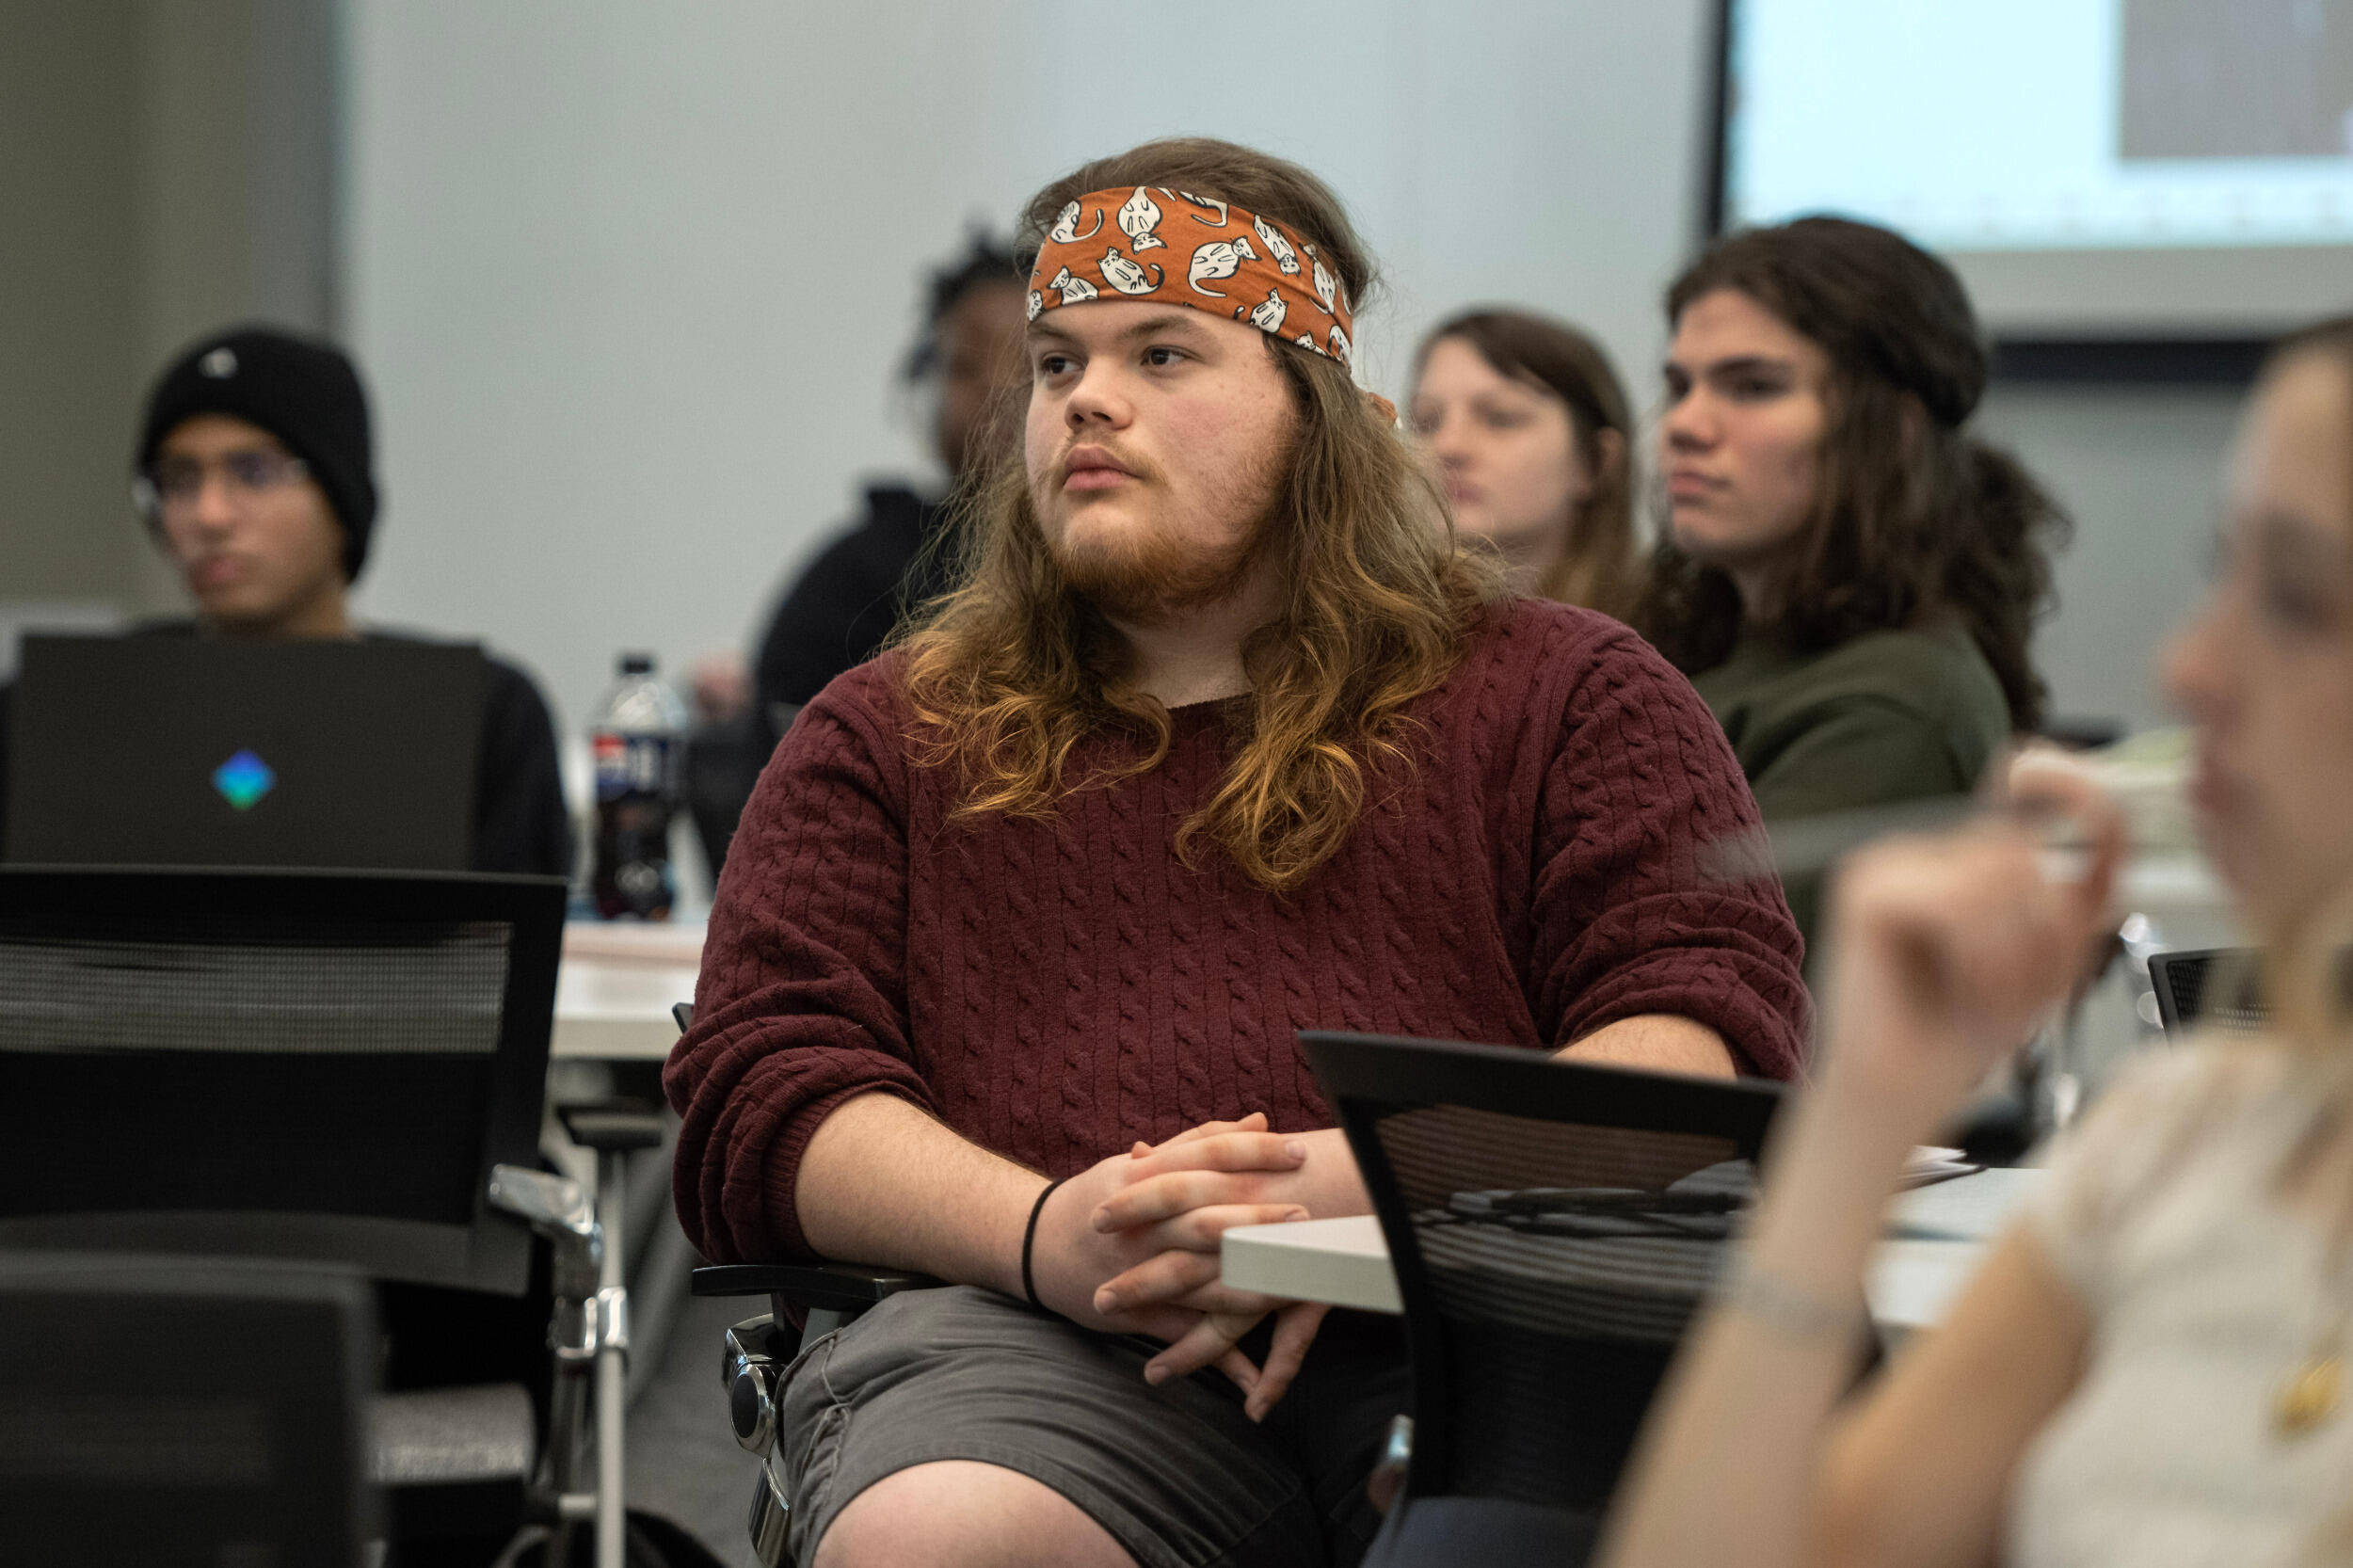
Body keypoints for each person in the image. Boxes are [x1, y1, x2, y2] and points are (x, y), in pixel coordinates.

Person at [665, 137, 1809, 1568]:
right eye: (1057, 359)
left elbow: (1707, 1036)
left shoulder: (1569, 692)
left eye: (1163, 353)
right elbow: (766, 1081)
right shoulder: (889, 732)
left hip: (1487, 1316)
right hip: (1045, 1341)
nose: (1088, 396)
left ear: (1315, 412)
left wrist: (1344, 1198)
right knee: (937, 1537)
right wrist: (1050, 1234)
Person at [1597, 316, 2353, 1568]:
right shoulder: (2189, 1138)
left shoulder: (1888, 687)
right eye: (2226, 575)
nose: (2191, 666)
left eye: (2302, 601)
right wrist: (1859, 1115)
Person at [1631, 216, 2071, 952]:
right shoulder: (1709, 643)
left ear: (1892, 427)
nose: (1685, 424)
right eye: (1680, 386)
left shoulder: (1899, 700)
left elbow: (1680, 956)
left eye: (1752, 386)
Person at [0, 325, 571, 878]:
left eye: (255, 472)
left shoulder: (482, 717)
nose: (209, 515)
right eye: (179, 478)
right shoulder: (66, 711)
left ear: (341, 501)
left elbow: (510, 957)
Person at [750, 232, 1031, 722]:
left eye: (1035, 367)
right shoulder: (858, 577)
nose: (998, 392)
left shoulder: (1108, 563)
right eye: (966, 366)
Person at [1407, 308, 1641, 617]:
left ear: (1593, 463)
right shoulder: (1369, 638)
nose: (1447, 447)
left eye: (1500, 418)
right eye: (1427, 421)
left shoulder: (1673, 645)